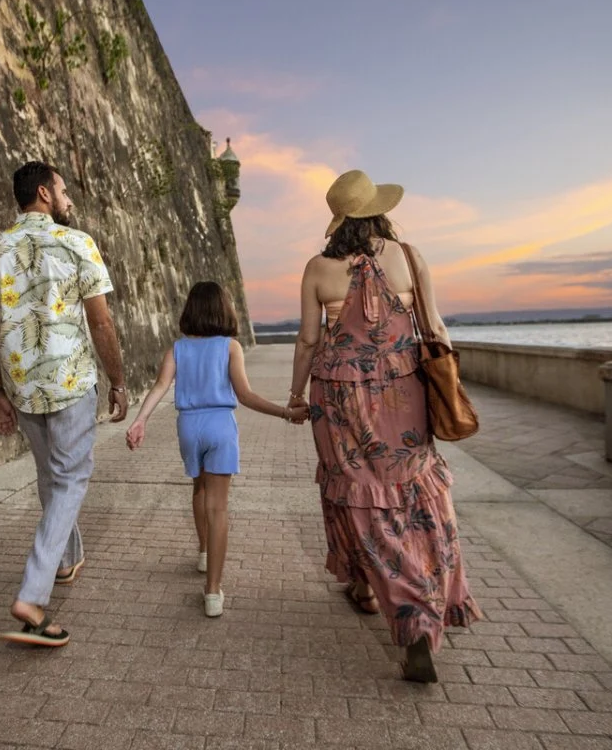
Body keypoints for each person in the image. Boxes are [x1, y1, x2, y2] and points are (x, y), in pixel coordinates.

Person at [288, 169, 482, 682]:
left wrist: (294, 394)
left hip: (338, 397)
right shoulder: (409, 257)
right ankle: (411, 598)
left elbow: (308, 341)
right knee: (416, 490)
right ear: (378, 211)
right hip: (404, 392)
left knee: (357, 495)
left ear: (338, 220)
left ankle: (390, 597)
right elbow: (436, 328)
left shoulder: (317, 267)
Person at [0, 161, 127, 647]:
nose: (69, 200)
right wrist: (118, 380)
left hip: (22, 386)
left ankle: (64, 559)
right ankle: (32, 596)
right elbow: (100, 323)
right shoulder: (77, 243)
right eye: (64, 191)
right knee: (72, 478)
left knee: (51, 476)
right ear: (44, 193)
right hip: (70, 381)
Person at [125, 282, 308, 617]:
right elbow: (246, 395)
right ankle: (212, 592)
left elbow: (160, 386)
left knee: (199, 486)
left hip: (188, 426)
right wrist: (285, 412)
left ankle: (204, 551)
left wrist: (140, 421)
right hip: (220, 425)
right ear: (223, 309)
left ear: (190, 310)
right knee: (219, 507)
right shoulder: (230, 347)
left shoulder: (176, 349)